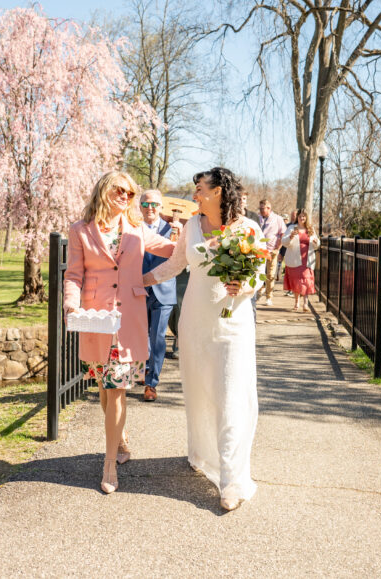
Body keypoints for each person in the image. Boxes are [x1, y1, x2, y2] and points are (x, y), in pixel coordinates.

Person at [144, 167, 264, 512]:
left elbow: (258, 276)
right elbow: (175, 265)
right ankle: (199, 451)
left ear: (218, 192)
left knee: (229, 394)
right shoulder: (193, 226)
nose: (194, 195)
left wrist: (244, 286)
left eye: (199, 189)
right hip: (195, 322)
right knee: (198, 391)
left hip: (232, 324)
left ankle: (231, 479)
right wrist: (137, 282)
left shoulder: (248, 228)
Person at [63, 171, 175, 494]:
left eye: (129, 193)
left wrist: (187, 238)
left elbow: (171, 250)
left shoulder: (138, 230)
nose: (126, 197)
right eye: (120, 190)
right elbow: (73, 274)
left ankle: (109, 463)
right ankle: (121, 439)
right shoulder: (80, 231)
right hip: (97, 322)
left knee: (116, 390)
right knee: (104, 387)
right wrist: (70, 303)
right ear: (103, 191)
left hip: (128, 323)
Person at [138, 189, 176, 402]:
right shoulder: (132, 229)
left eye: (154, 204)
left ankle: (152, 383)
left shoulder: (174, 229)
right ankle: (143, 370)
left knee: (158, 337)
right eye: (145, 204)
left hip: (164, 290)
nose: (149, 208)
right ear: (140, 207)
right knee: (142, 336)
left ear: (161, 207)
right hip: (139, 288)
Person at [282, 208, 320, 312]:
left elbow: (317, 245)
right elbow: (284, 242)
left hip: (307, 259)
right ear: (297, 217)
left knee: (306, 280)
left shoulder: (310, 229)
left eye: (304, 216)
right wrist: (290, 236)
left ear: (306, 218)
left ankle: (305, 304)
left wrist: (316, 242)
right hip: (295, 259)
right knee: (297, 281)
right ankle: (296, 302)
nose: (302, 218)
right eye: (300, 216)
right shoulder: (291, 228)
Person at [257, 199, 286, 306]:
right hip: (259, 250)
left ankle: (269, 297)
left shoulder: (277, 219)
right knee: (258, 272)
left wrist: (277, 248)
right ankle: (259, 290)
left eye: (262, 208)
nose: (260, 210)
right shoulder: (258, 218)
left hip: (271, 251)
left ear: (268, 208)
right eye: (259, 208)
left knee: (270, 274)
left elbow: (283, 233)